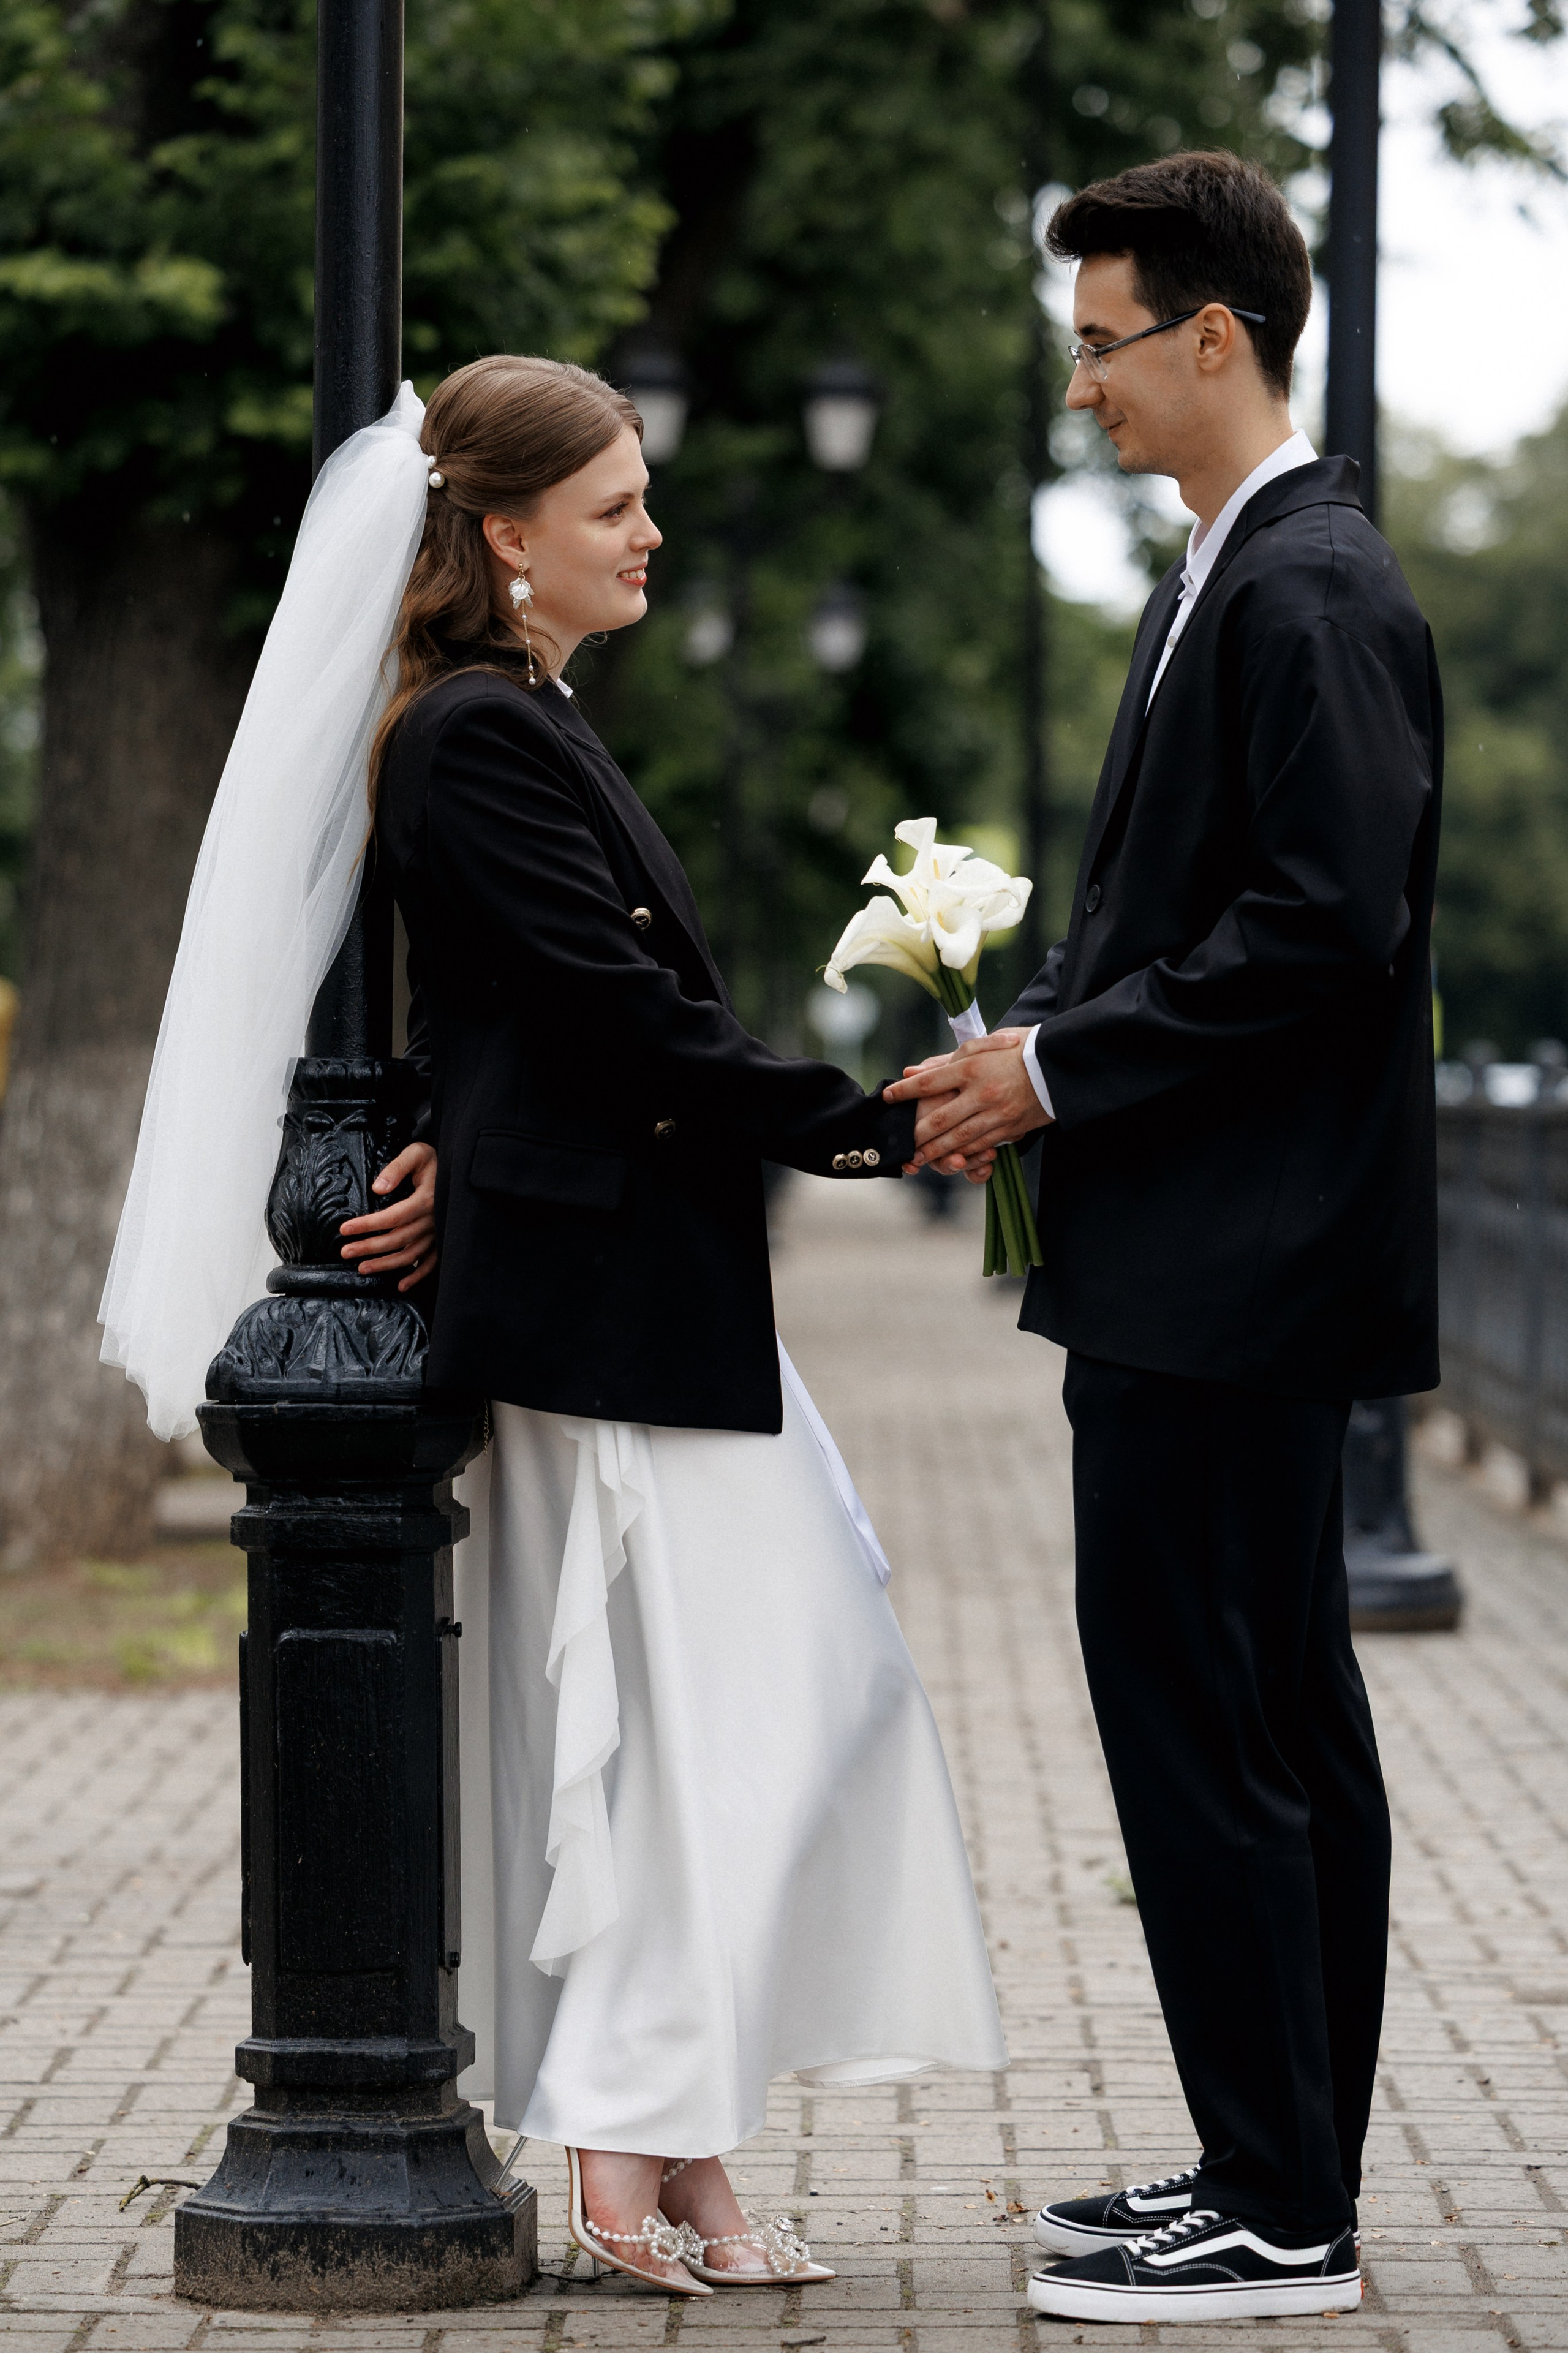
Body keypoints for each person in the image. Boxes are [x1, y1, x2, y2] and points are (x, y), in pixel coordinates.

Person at [339, 354, 1008, 2294]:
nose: (652, 528)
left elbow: (525, 1017)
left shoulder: (528, 714)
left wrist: (476, 1133)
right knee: (700, 1715)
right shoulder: (472, 732)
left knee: (742, 1706)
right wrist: (874, 1121)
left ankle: (680, 2136)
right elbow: (604, 1018)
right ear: (505, 534)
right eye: (617, 503)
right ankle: (632, 2138)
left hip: (639, 1280)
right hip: (597, 1306)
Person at [890, 152, 1441, 2325]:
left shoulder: (1311, 585)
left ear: (1217, 337)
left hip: (1247, 1266)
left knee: (1216, 1724)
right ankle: (1267, 2162)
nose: (1081, 388)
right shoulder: (1222, 571)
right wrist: (1035, 1044)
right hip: (1208, 1255)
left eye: (1103, 343)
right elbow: (1221, 924)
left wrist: (1058, 1068)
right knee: (1265, 1715)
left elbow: (1326, 935)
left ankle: (1283, 2208)